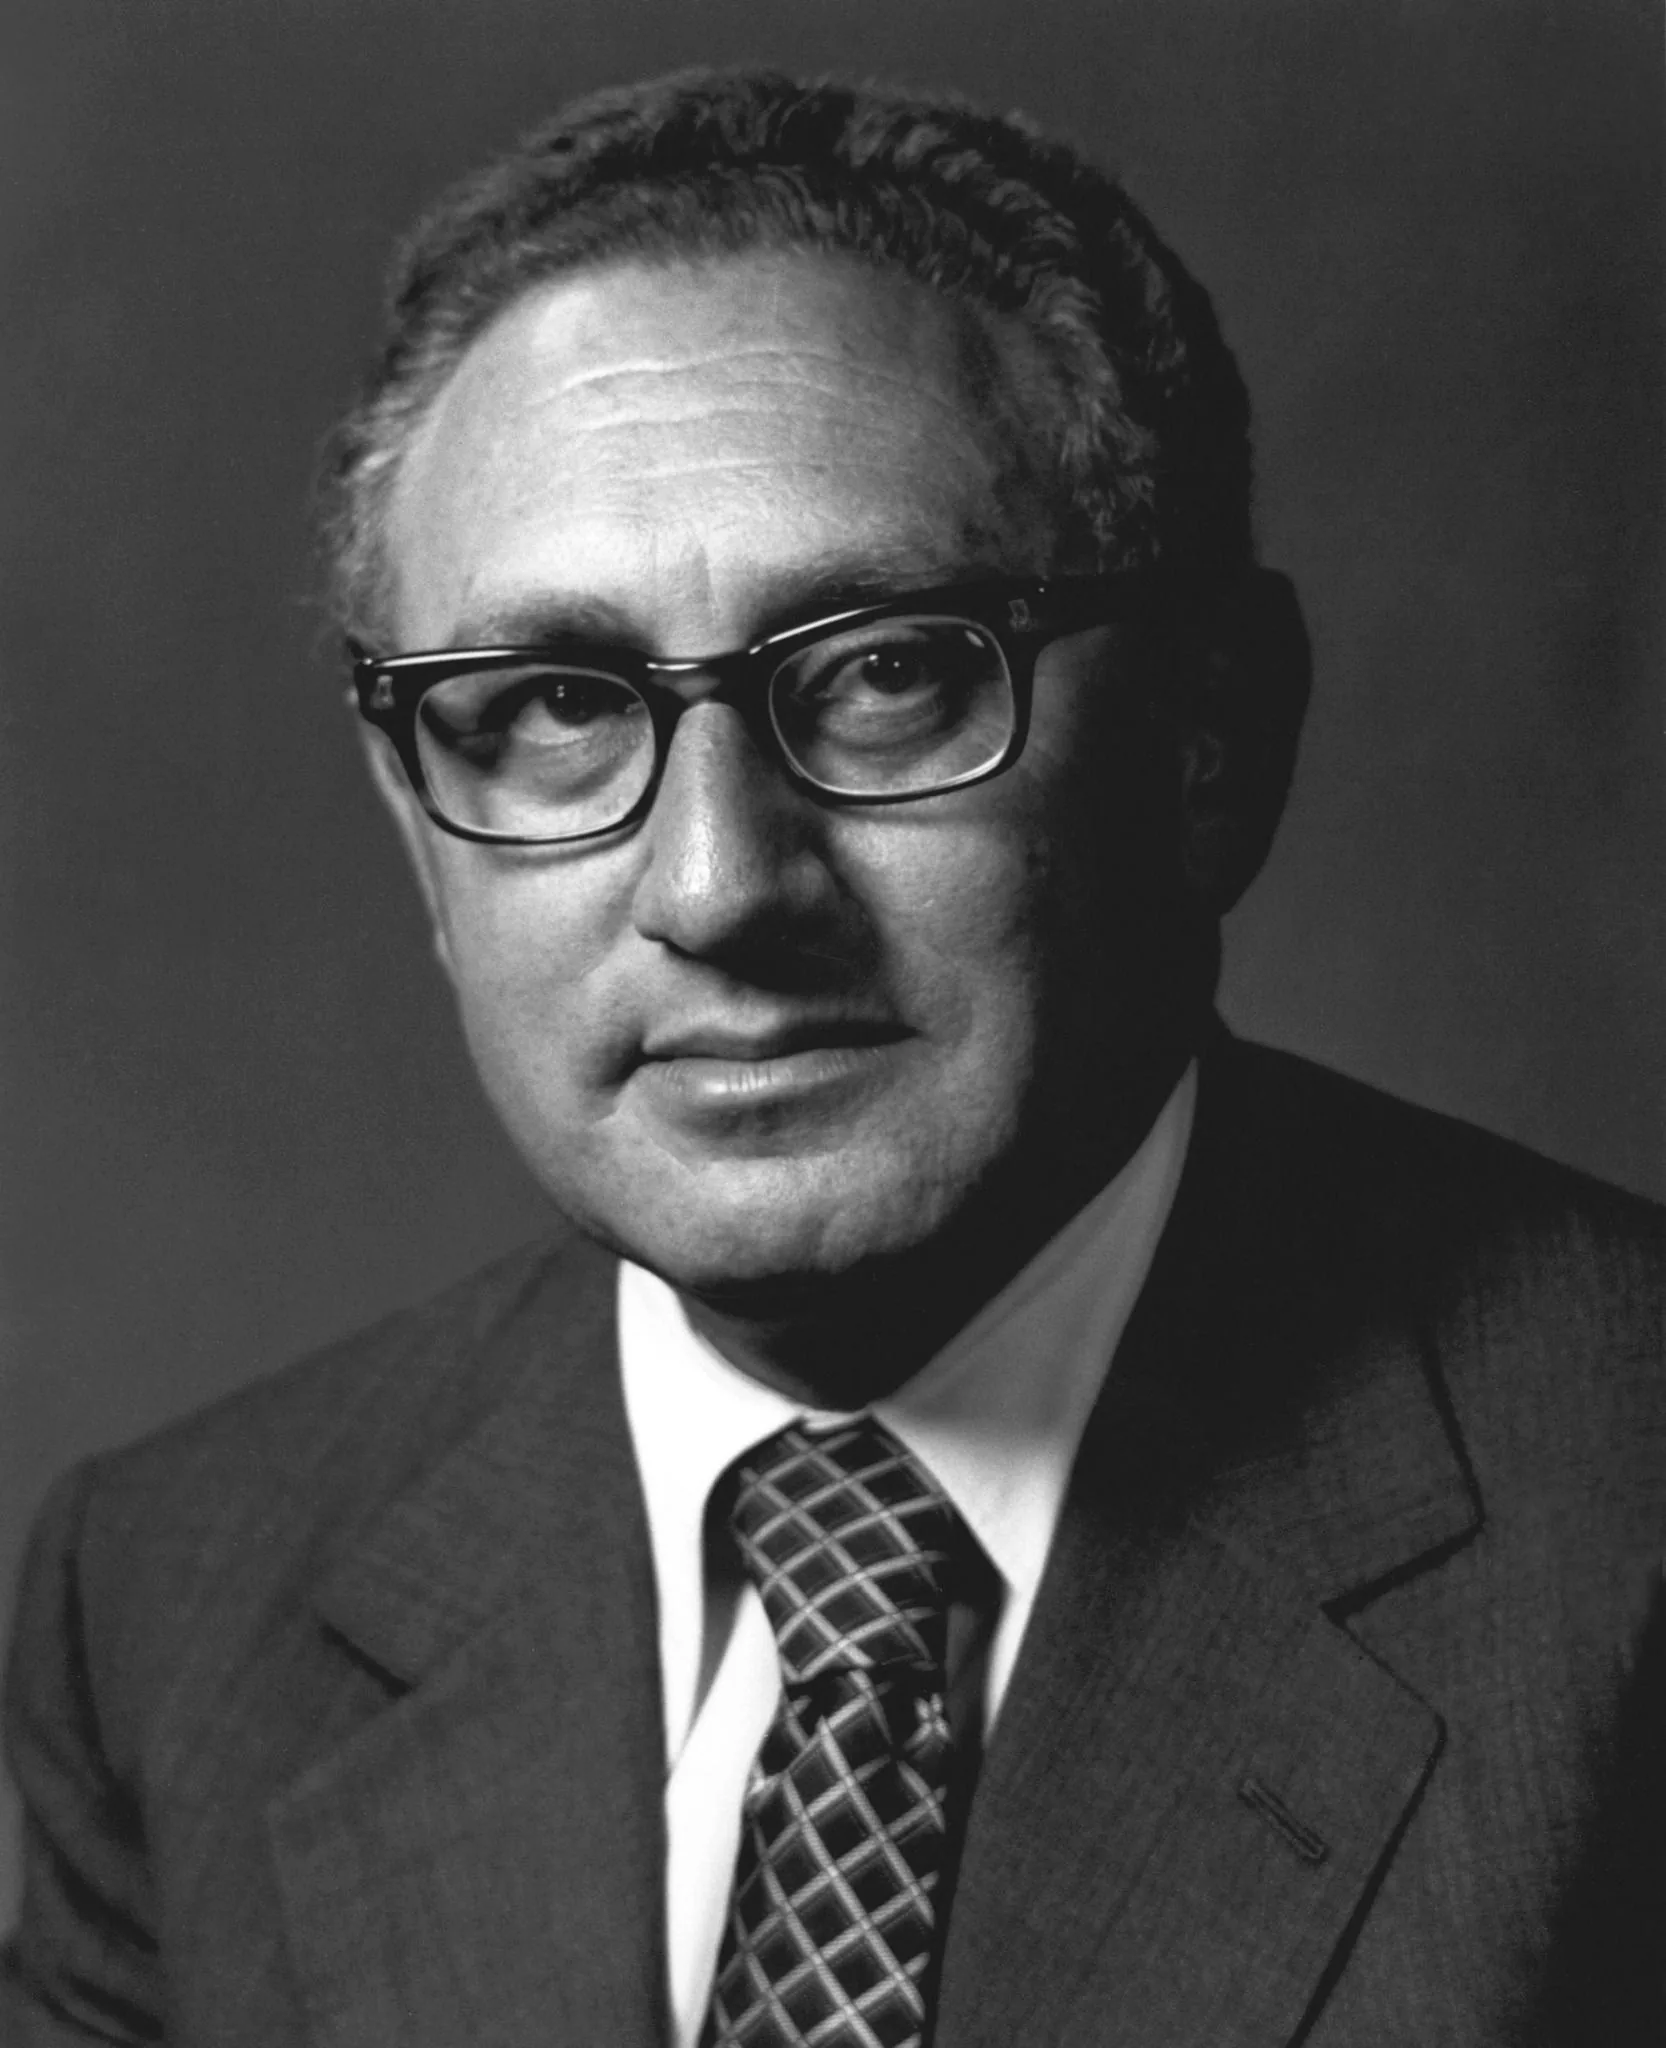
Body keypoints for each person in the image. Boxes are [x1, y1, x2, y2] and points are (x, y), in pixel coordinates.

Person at [2, 67, 1660, 2048]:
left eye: (884, 671)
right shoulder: (179, 1602)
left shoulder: (1615, 1522)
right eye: (547, 704)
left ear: (1211, 737)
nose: (715, 884)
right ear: (416, 831)